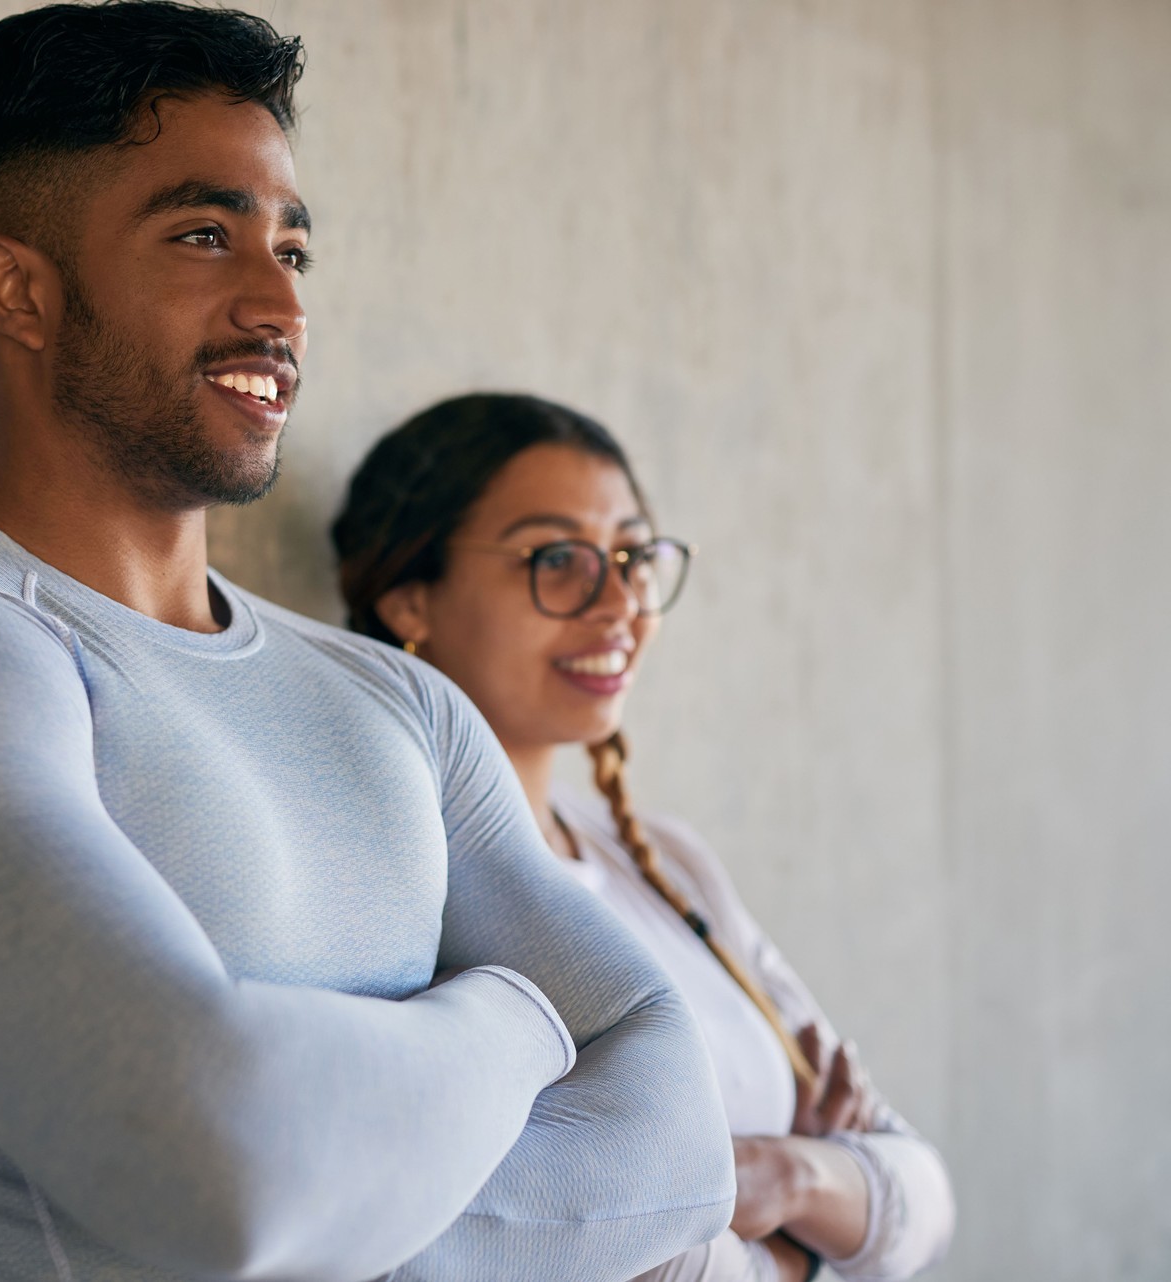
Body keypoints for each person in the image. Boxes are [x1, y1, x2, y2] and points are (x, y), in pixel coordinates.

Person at [0, 7, 736, 1280]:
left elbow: (683, 1142)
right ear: (19, 290)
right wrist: (524, 1024)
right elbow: (224, 1175)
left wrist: (323, 1160)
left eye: (294, 248)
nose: (280, 307)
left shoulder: (396, 701)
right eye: (204, 236)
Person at [333, 393, 958, 1282]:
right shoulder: (385, 889)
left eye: (633, 556)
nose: (620, 602)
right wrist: (809, 1229)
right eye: (559, 559)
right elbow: (488, 1237)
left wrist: (777, 1177)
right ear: (409, 599)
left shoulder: (668, 865)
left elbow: (924, 1197)